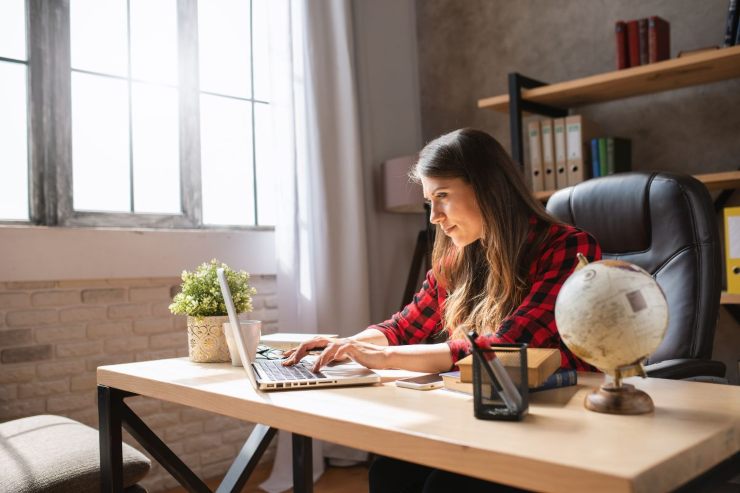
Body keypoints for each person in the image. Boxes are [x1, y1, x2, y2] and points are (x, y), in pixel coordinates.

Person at [283, 128, 601, 492]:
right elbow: (403, 327)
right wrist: (345, 345)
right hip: (488, 412)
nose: (434, 216)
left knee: (445, 487)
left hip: (558, 418)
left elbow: (503, 349)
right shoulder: (458, 259)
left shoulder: (568, 247)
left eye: (443, 196)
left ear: (488, 188)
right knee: (389, 472)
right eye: (429, 201)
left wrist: (384, 358)